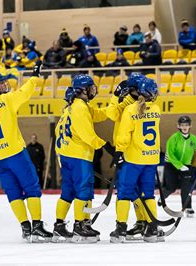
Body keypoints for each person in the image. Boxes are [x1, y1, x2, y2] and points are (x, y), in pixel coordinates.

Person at [0, 63, 53, 242]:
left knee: (13, 193)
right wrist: (35, 75)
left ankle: (25, 228)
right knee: (31, 188)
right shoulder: (5, 100)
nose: (5, 85)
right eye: (2, 83)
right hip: (14, 153)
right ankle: (37, 226)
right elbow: (25, 92)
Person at [53, 74, 118, 243]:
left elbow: (99, 114)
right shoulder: (80, 108)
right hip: (78, 156)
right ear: (82, 90)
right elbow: (88, 135)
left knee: (67, 192)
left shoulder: (70, 108)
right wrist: (108, 146)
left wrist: (116, 100)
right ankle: (80, 225)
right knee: (84, 190)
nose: (93, 90)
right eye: (90, 87)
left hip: (65, 155)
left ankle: (59, 226)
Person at [110, 78, 163, 243]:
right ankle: (152, 228)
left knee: (124, 193)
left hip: (133, 159)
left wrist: (119, 151)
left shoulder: (131, 110)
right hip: (151, 159)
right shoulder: (157, 109)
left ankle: (120, 229)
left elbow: (124, 134)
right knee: (148, 194)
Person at [160, 116, 196, 217]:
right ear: (178, 126)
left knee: (186, 187)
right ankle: (163, 196)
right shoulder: (174, 138)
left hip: (186, 166)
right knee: (171, 187)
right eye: (182, 125)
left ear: (190, 126)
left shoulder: (193, 139)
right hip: (171, 164)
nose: (184, 127)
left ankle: (187, 207)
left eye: (186, 125)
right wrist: (179, 166)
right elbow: (170, 154)